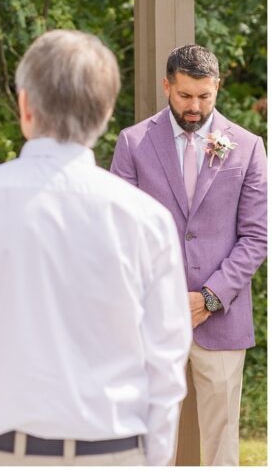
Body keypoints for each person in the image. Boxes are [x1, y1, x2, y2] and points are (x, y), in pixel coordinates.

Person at [0, 30, 192, 466]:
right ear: (106, 113)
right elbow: (167, 365)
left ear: (25, 106)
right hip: (114, 454)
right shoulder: (147, 220)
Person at [110, 44, 267, 466]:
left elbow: (257, 236)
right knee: (147, 441)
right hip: (152, 319)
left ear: (217, 88)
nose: (194, 107)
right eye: (185, 96)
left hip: (221, 317)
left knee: (221, 441)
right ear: (167, 86)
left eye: (205, 96)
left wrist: (210, 297)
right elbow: (120, 233)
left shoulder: (249, 148)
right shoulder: (134, 142)